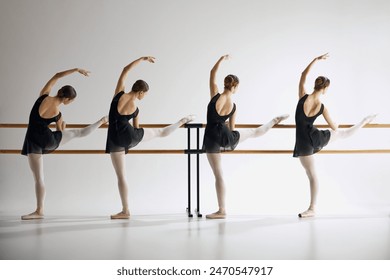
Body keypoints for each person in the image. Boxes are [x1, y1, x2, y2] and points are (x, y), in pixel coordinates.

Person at [106, 56, 195, 219]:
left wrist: (141, 59)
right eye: (144, 94)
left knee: (121, 176)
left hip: (113, 139)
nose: (144, 97)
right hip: (130, 136)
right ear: (140, 92)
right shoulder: (135, 108)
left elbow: (125, 70)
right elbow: (137, 129)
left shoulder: (118, 95)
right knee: (159, 132)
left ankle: (125, 210)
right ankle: (182, 121)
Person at [204, 55, 288, 219]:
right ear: (234, 87)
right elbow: (233, 128)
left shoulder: (215, 95)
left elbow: (212, 72)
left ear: (225, 84)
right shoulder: (233, 106)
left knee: (218, 174)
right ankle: (274, 121)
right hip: (225, 137)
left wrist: (221, 59)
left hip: (210, 138)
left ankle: (222, 210)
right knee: (253, 132)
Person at [294, 53, 376, 218]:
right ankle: (364, 121)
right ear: (324, 89)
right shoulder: (321, 106)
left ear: (315, 86)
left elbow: (303, 75)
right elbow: (335, 127)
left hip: (302, 142)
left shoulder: (302, 96)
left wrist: (316, 60)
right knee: (342, 134)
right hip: (315, 138)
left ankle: (312, 209)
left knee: (311, 175)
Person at [21, 68, 108, 220]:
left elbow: (56, 76)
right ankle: (101, 121)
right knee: (77, 133)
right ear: (67, 99)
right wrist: (62, 125)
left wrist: (75, 70)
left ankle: (39, 210)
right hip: (48, 141)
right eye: (71, 101)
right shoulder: (57, 113)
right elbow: (60, 130)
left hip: (31, 141)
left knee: (39, 178)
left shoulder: (43, 96)